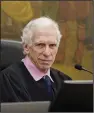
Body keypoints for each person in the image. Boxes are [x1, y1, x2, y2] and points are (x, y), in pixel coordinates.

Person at [1, 17, 72, 102]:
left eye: (52, 45)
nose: (47, 53)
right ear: (26, 47)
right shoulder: (7, 80)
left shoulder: (64, 81)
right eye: (40, 45)